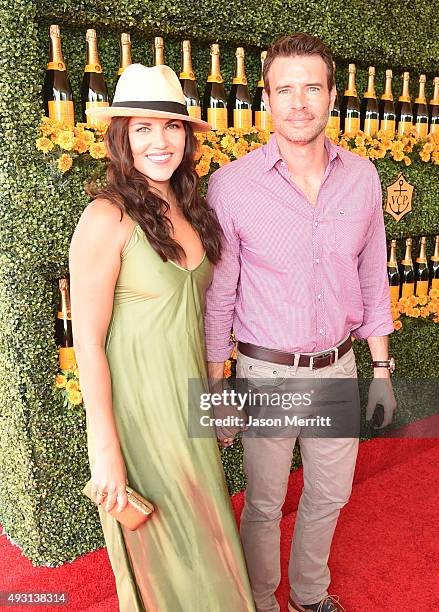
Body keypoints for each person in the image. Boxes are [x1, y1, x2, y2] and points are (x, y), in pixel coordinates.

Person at [205, 34, 397, 612]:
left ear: (332, 95)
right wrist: (219, 391)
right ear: (266, 100)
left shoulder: (363, 178)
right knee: (263, 503)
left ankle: (310, 596)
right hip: (266, 373)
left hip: (337, 366)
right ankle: (262, 601)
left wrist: (382, 370)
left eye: (311, 87)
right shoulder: (232, 185)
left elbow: (371, 279)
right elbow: (220, 298)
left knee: (330, 495)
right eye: (284, 89)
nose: (299, 102)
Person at [69, 63, 255, 612]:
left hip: (189, 406)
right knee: (166, 557)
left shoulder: (192, 210)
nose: (160, 140)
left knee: (208, 541)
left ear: (187, 137)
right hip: (140, 416)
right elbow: (88, 345)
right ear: (121, 137)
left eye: (171, 126)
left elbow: (195, 320)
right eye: (143, 127)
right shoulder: (106, 217)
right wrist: (105, 450)